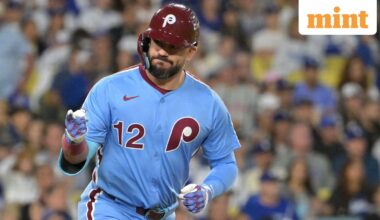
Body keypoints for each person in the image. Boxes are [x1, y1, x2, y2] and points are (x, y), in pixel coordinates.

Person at [57, 3, 240, 220]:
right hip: (110, 207)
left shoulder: (208, 102)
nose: (162, 52)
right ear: (147, 41)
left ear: (191, 52)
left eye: (172, 47)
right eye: (158, 43)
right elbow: (74, 163)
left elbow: (226, 164)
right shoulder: (110, 88)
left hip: (163, 214)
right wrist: (73, 140)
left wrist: (209, 189)